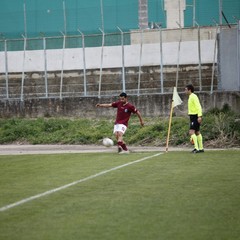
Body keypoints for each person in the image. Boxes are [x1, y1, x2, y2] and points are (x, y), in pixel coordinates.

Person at [185, 84, 204, 153]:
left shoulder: (193, 96)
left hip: (195, 116)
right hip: (192, 116)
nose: (185, 91)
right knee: (197, 132)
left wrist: (199, 116)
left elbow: (198, 106)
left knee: (191, 132)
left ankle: (196, 148)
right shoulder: (190, 97)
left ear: (189, 90)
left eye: (186, 89)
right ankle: (201, 148)